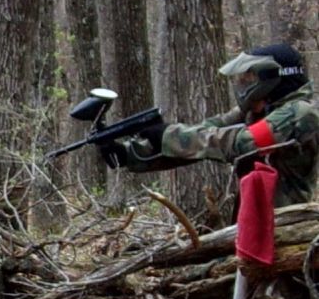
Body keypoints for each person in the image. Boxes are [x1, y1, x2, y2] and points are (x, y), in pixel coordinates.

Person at [118, 43, 318, 208]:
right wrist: (132, 153)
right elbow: (205, 133)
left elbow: (241, 143)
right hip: (254, 216)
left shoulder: (299, 113)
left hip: (287, 222)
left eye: (249, 78)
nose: (243, 84)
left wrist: (169, 135)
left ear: (271, 78)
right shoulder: (257, 111)